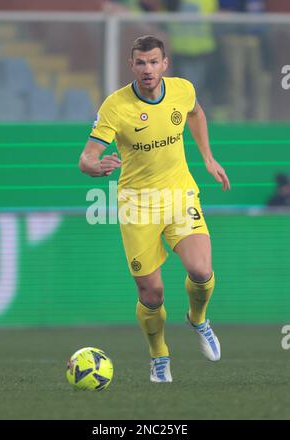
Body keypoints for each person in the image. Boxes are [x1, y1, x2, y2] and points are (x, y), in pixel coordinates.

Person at [79, 36, 230, 383]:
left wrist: (208, 158)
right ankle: (159, 354)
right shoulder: (115, 106)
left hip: (180, 195)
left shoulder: (181, 90)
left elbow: (196, 113)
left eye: (153, 62)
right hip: (137, 205)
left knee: (201, 271)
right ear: (131, 66)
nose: (148, 69)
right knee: (152, 293)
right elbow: (86, 157)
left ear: (165, 64)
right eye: (141, 63)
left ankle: (198, 318)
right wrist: (94, 166)